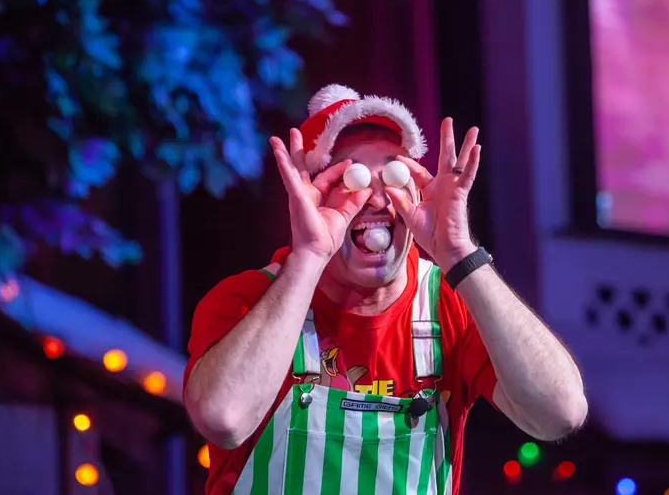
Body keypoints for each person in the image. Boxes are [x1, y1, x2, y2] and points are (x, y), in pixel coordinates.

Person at [184, 85, 587, 495]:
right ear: (309, 195)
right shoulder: (247, 299)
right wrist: (308, 255)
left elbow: (560, 413)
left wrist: (460, 254)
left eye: (394, 173)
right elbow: (223, 419)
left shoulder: (449, 302)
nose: (377, 198)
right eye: (350, 177)